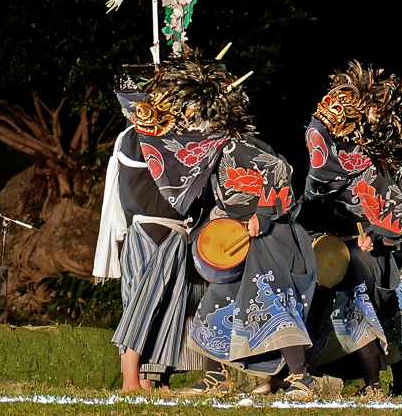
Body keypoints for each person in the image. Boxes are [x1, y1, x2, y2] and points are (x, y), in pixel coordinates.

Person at [124, 58, 317, 398]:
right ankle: (217, 378)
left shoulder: (236, 145)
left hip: (267, 235)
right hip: (234, 237)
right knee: (215, 303)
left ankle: (302, 378)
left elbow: (280, 171)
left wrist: (264, 213)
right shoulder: (209, 151)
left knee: (271, 301)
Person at [300, 61, 402, 396]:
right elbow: (319, 201)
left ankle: (389, 386)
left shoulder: (396, 164)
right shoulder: (349, 160)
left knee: (384, 314)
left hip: (381, 251)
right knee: (377, 314)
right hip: (357, 247)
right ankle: (377, 385)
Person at [93, 82, 206, 392]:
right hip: (152, 230)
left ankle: (146, 377)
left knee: (163, 303)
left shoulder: (163, 136)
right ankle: (131, 379)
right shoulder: (135, 139)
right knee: (144, 301)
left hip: (167, 231)